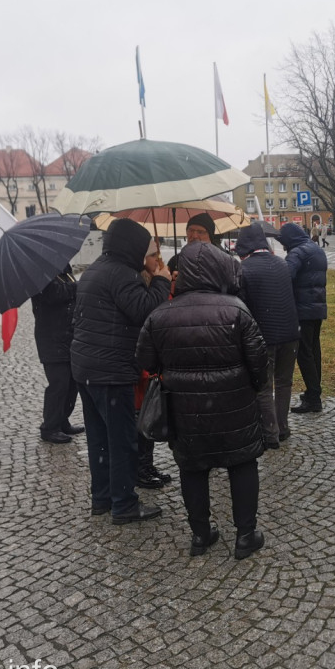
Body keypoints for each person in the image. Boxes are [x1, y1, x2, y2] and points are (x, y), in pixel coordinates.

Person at [136, 242, 268, 559]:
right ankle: (245, 535)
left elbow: (145, 360)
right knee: (242, 463)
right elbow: (259, 362)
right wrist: (250, 387)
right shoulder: (236, 309)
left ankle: (200, 534)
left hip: (186, 410)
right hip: (234, 406)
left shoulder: (160, 315)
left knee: (193, 469)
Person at [71, 218, 170, 525]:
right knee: (122, 439)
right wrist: (162, 279)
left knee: (100, 439)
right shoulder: (122, 274)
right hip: (111, 371)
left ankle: (101, 498)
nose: (146, 254)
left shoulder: (96, 269)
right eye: (144, 248)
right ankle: (124, 503)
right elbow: (145, 310)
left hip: (86, 368)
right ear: (131, 246)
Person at [235, 223, 299, 449]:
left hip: (264, 337)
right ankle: (282, 427)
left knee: (263, 385)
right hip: (290, 335)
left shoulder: (244, 269)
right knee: (284, 383)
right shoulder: (281, 264)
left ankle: (269, 433)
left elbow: (241, 307)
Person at [135, 239, 174, 490]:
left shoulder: (153, 279)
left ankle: (147, 465)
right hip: (141, 363)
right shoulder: (139, 284)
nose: (157, 260)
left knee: (148, 414)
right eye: (153, 255)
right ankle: (140, 468)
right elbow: (151, 314)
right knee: (142, 417)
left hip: (153, 361)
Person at [32, 264, 84, 444]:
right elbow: (54, 294)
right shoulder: (40, 274)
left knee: (72, 383)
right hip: (51, 338)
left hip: (69, 336)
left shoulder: (65, 273)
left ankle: (62, 420)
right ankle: (49, 427)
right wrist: (77, 287)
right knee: (59, 384)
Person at [280, 221, 327, 414]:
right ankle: (313, 392)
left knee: (304, 354)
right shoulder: (316, 250)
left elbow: (286, 276)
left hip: (303, 310)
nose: (283, 245)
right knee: (314, 351)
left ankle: (313, 397)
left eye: (283, 241)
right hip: (317, 308)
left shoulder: (297, 252)